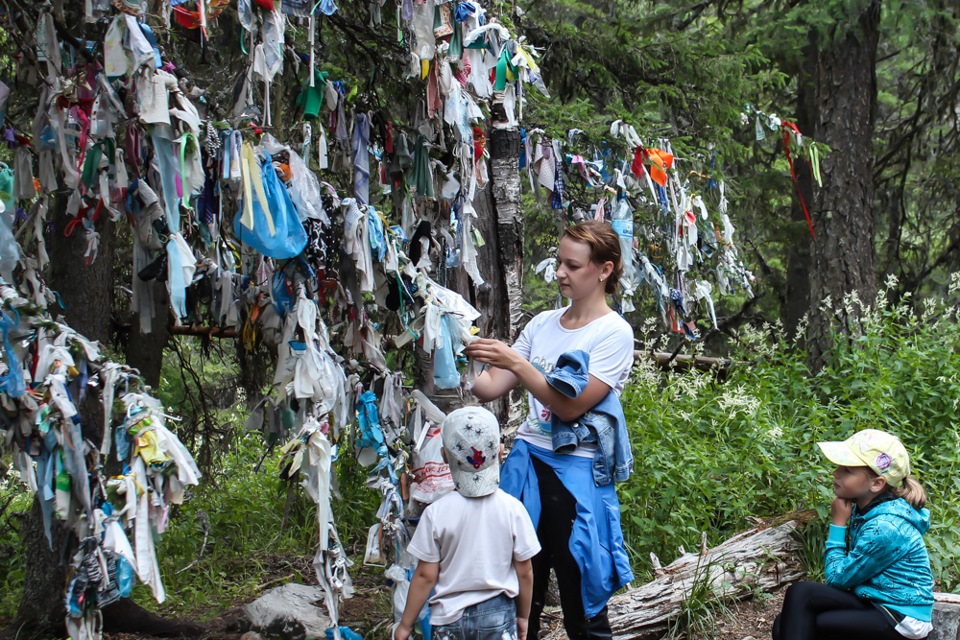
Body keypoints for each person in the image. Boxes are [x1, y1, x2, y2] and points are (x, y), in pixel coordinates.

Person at [465, 220, 635, 640]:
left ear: (604, 270)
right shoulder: (542, 323)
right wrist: (459, 348)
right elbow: (488, 387)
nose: (559, 272)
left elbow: (569, 406)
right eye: (559, 262)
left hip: (577, 473)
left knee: (582, 591)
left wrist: (519, 364)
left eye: (572, 265)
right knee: (521, 590)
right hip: (526, 465)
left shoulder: (613, 333)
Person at [772, 429, 935, 640]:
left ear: (877, 484)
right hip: (875, 599)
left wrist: (838, 524)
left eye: (847, 470)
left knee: (806, 617)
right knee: (790, 612)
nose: (836, 473)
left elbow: (837, 578)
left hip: (901, 617)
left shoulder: (886, 527)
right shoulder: (867, 507)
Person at [394, 406, 540, 640]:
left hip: (449, 618)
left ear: (443, 456)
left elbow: (425, 575)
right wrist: (523, 616)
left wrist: (405, 625)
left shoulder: (436, 513)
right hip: (499, 616)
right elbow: (525, 571)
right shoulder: (513, 509)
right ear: (501, 451)